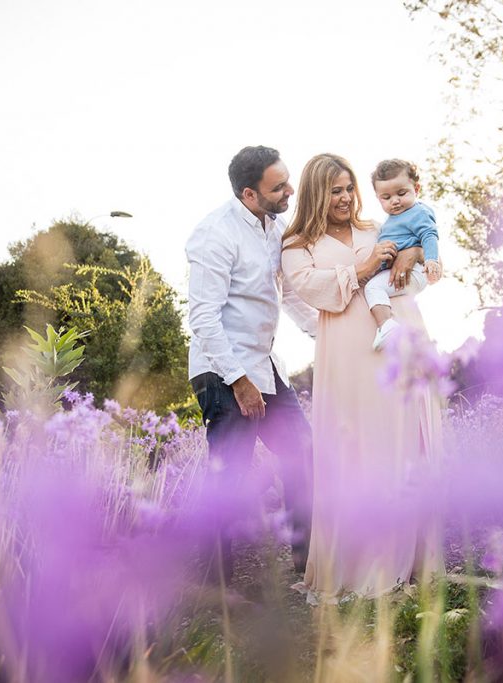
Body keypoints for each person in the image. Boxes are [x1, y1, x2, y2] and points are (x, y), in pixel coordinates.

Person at [280, 153, 443, 603]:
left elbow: (413, 271)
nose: (346, 197)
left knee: (402, 445)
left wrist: (411, 253)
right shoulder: (297, 243)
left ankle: (408, 563)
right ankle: (360, 566)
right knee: (357, 448)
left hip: (400, 338)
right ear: (316, 192)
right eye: (335, 190)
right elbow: (311, 289)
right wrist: (363, 268)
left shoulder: (377, 228)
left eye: (350, 188)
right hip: (348, 352)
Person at [186, 145, 318, 584]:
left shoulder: (276, 228)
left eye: (287, 180)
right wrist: (239, 381)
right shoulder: (214, 235)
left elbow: (293, 296)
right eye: (278, 187)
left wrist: (328, 336)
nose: (290, 191)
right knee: (230, 477)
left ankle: (307, 563)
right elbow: (203, 317)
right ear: (249, 193)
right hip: (222, 371)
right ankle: (217, 588)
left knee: (303, 453)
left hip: (265, 365)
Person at [364, 159, 443, 350]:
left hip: (415, 271)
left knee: (373, 288)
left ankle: (387, 326)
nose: (395, 201)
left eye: (401, 193)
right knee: (375, 285)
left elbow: (429, 235)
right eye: (386, 197)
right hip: (405, 271)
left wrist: (431, 260)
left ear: (416, 188)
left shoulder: (418, 212)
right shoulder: (391, 219)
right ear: (378, 198)